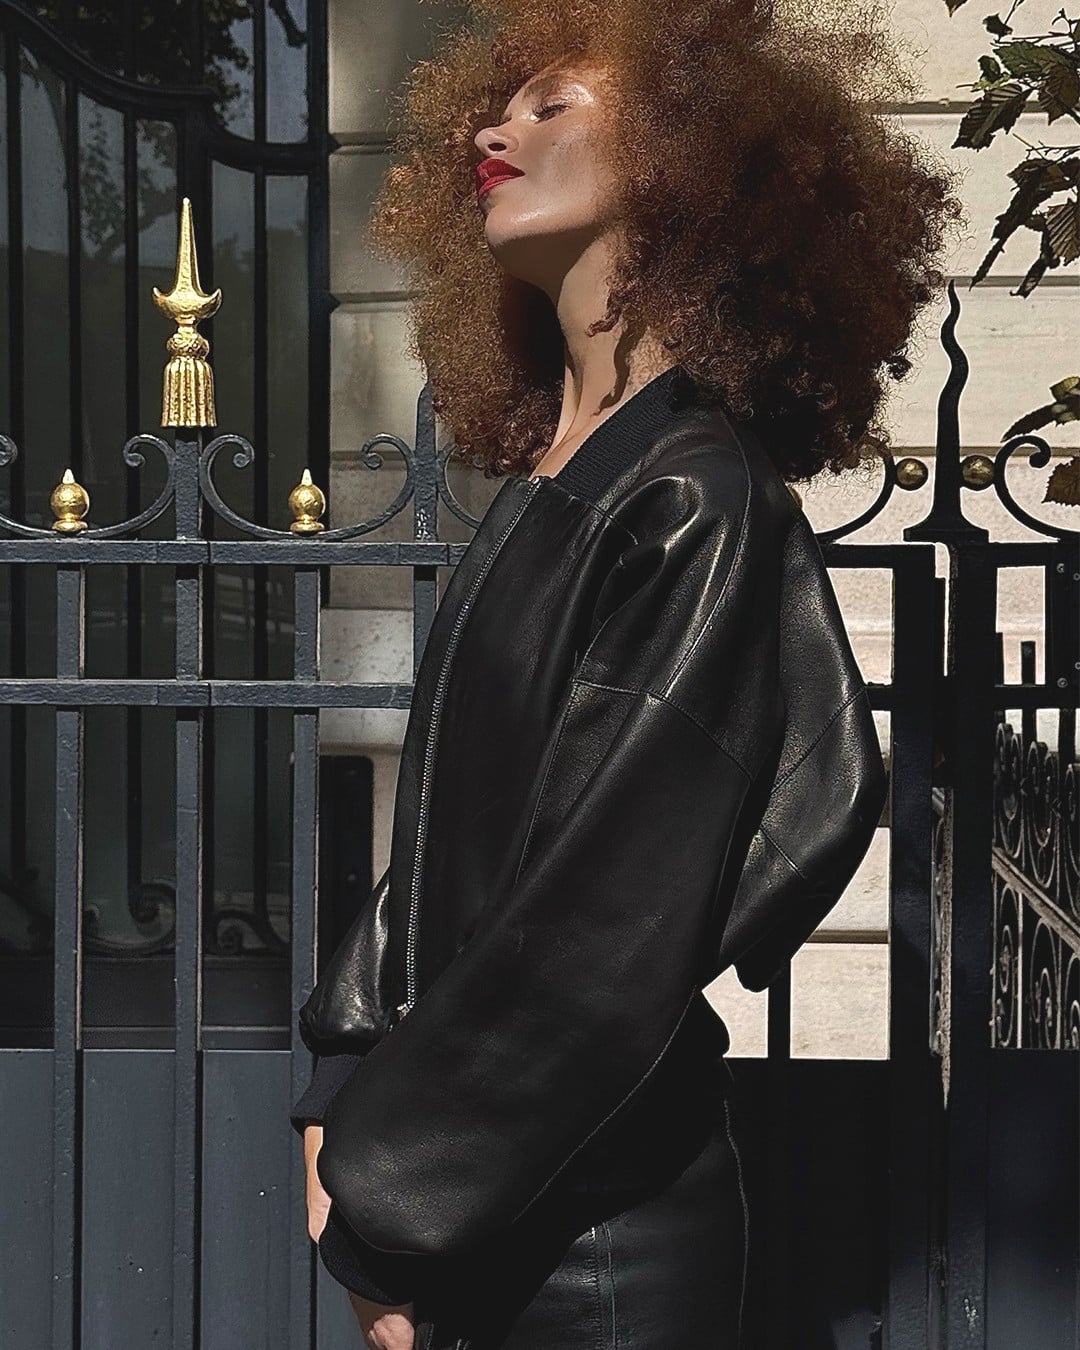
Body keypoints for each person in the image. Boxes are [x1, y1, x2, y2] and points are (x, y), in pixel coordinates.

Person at [291, 1, 961, 1346]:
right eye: (498, 107)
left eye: (554, 105)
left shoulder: (694, 490)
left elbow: (599, 922)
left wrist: (381, 1205)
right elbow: (450, 832)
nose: (493, 131)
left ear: (686, 156)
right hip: (491, 1201)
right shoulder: (564, 474)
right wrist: (337, 1070)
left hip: (587, 1246)